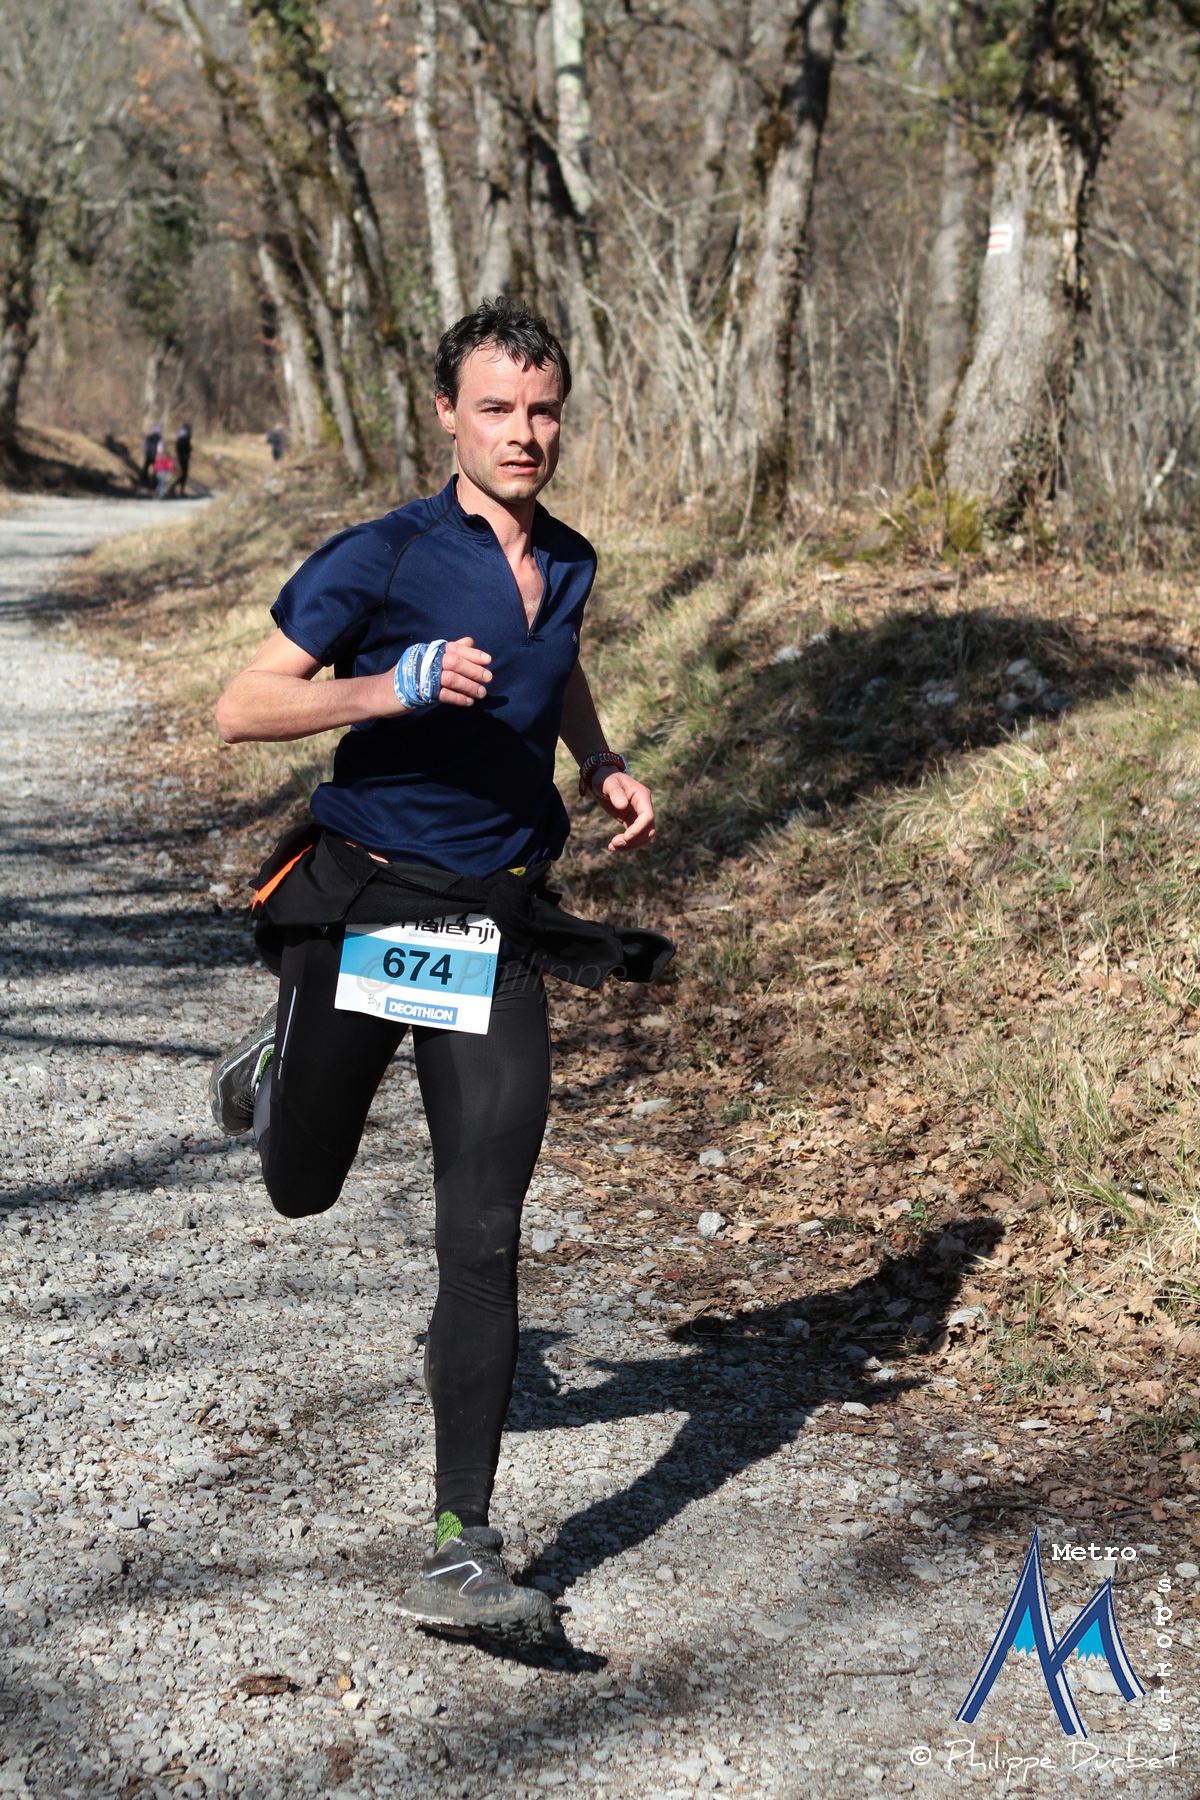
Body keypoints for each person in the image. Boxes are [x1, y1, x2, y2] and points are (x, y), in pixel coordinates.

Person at [207, 297, 671, 1644]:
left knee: (482, 1237)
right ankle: (284, 1049)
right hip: (366, 911)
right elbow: (242, 707)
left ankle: (461, 1544)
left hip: (490, 930)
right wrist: (389, 687)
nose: (524, 434)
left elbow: (556, 663)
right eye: (496, 410)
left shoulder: (570, 559)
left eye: (543, 411)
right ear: (446, 417)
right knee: (301, 1185)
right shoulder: (385, 554)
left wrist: (598, 760)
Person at [139, 423, 162, 490]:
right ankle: (154, 484)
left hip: (148, 455)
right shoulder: (160, 438)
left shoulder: (148, 437)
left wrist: (146, 451)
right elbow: (160, 449)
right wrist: (159, 454)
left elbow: (143, 446)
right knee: (156, 470)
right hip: (155, 456)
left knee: (146, 468)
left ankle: (143, 481)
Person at [174, 422, 192, 495]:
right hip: (183, 457)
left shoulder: (180, 437)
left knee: (183, 474)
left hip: (181, 457)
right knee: (183, 474)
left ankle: (179, 488)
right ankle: (180, 489)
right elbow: (186, 448)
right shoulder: (185, 438)